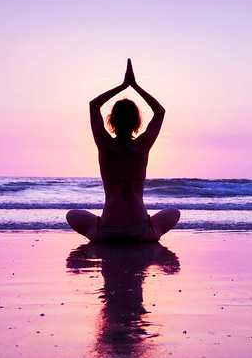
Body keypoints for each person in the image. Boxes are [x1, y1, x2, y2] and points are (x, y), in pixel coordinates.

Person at [66, 59, 180, 242]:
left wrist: (122, 86)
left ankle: (99, 227)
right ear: (137, 122)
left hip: (107, 232)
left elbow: (93, 105)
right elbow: (160, 111)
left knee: (72, 214)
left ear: (111, 121)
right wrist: (134, 86)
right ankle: (152, 230)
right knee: (174, 212)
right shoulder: (141, 147)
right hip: (141, 231)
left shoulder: (105, 146)